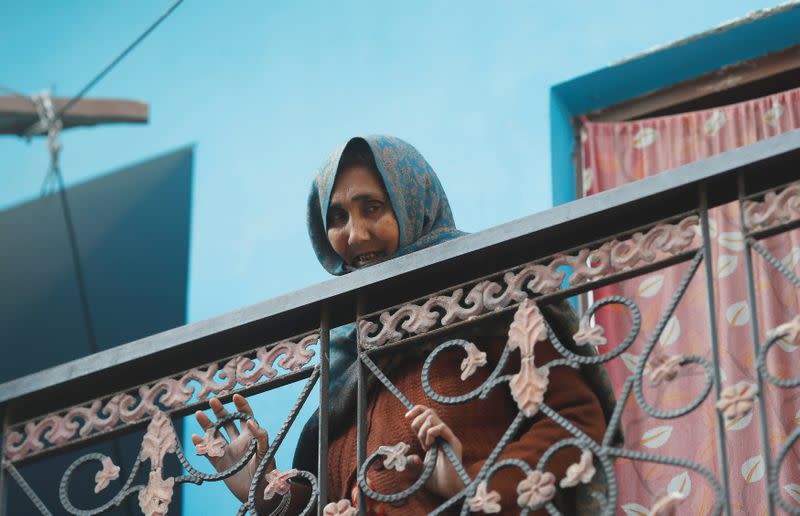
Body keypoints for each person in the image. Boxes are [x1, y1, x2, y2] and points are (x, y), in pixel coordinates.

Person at [193, 135, 618, 515]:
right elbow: (332, 500)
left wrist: (476, 482)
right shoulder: (345, 356)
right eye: (337, 218)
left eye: (372, 208)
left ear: (414, 204)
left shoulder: (488, 298)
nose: (354, 235)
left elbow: (576, 419)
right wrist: (258, 485)